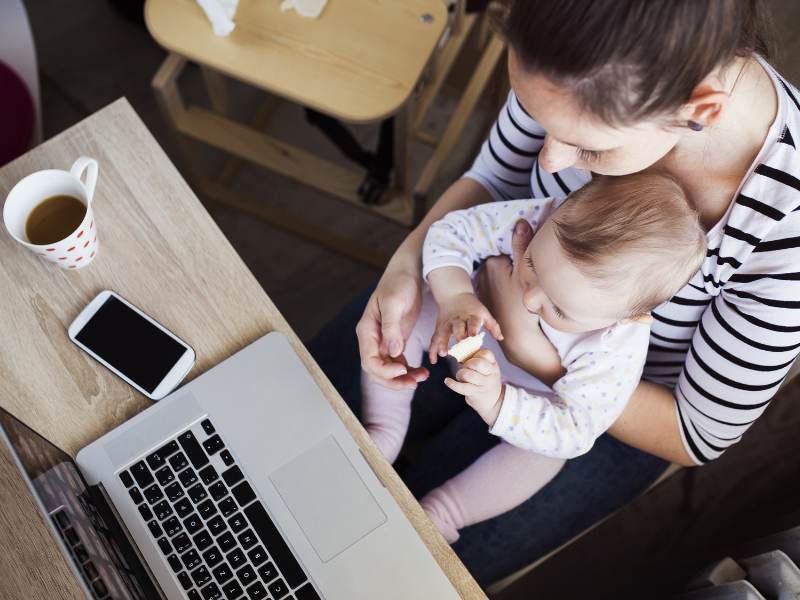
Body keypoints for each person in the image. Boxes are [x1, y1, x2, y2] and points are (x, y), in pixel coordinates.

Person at [309, 0, 800, 585]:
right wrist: (406, 266)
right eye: (544, 124)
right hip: (472, 290)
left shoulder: (787, 228)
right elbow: (494, 178)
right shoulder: (572, 49)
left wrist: (530, 349)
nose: (552, 160)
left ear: (698, 109)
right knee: (302, 429)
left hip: (609, 405)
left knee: (396, 570)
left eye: (589, 148)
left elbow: (697, 432)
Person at [362, 174, 706, 543]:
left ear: (625, 317)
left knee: (545, 456)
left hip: (530, 395)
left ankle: (445, 512)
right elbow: (452, 232)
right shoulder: (541, 216)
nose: (529, 300)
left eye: (558, 308)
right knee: (407, 316)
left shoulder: (618, 344)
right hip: (463, 326)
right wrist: (455, 296)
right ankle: (384, 427)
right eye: (533, 266)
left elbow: (575, 428)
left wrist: (499, 403)